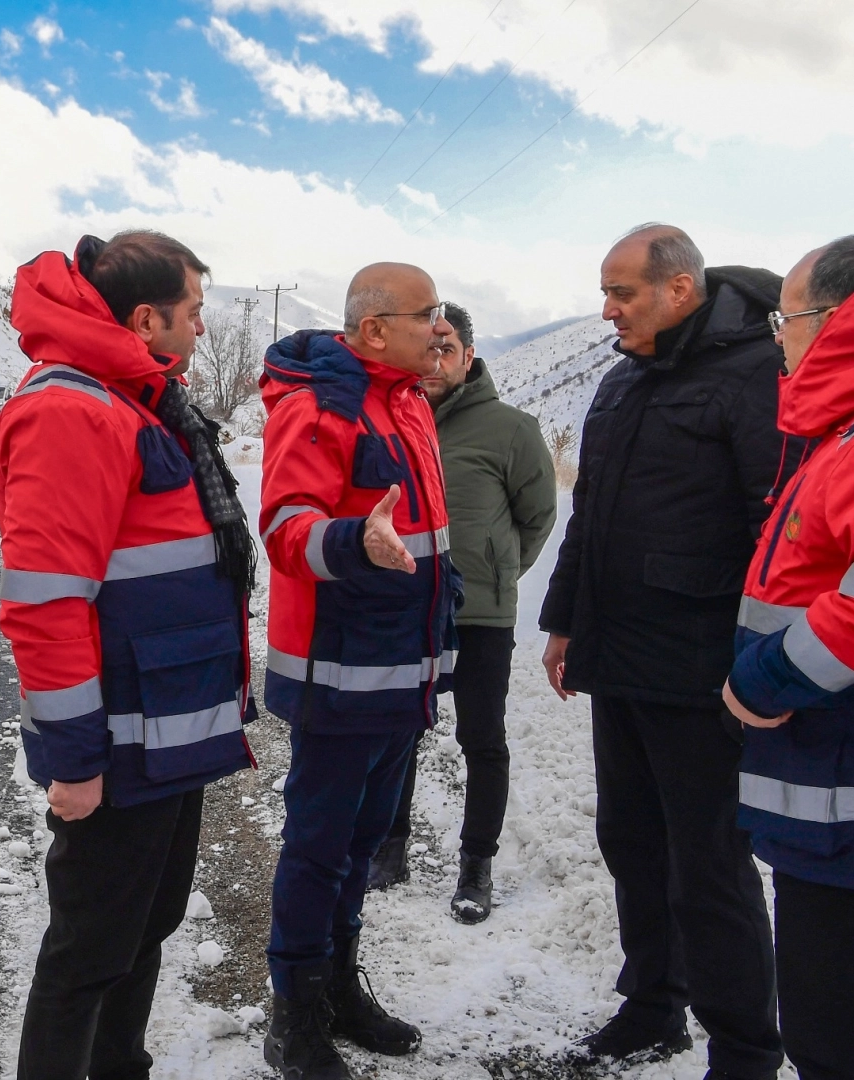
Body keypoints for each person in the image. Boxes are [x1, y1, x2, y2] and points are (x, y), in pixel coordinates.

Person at [0, 230, 258, 1080]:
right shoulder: (71, 411)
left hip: (166, 725)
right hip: (119, 735)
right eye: (193, 311)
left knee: (145, 925)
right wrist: (74, 761)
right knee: (89, 949)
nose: (202, 328)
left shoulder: (137, 401)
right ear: (145, 320)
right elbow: (44, 605)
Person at [538, 224, 786, 1077]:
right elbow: (588, 514)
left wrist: (760, 663)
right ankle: (652, 1006)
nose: (607, 310)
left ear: (677, 289)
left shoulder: (753, 374)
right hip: (620, 658)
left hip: (700, 671)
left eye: (622, 293)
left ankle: (744, 1050)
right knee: (631, 842)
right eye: (604, 293)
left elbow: (773, 532)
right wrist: (564, 620)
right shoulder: (620, 379)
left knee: (708, 868)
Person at [258, 263, 456, 1080]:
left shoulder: (406, 402)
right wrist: (349, 540)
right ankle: (294, 1016)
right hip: (339, 678)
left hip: (401, 675)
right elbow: (285, 528)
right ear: (374, 330)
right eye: (426, 314)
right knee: (318, 849)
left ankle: (339, 988)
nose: (441, 328)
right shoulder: (317, 408)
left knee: (363, 843)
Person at [369, 302, 556, 924]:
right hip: (408, 607)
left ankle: (477, 864)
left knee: (481, 737)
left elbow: (537, 517)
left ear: (469, 356)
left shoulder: (512, 429)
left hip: (480, 613)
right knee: (398, 732)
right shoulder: (393, 421)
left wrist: (499, 572)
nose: (436, 358)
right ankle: (389, 847)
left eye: (448, 347)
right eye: (429, 345)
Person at [723, 235, 854, 1080]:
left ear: (836, 319)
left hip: (839, 807)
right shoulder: (831, 440)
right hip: (823, 797)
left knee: (827, 1037)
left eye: (789, 317)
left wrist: (762, 677)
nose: (780, 337)